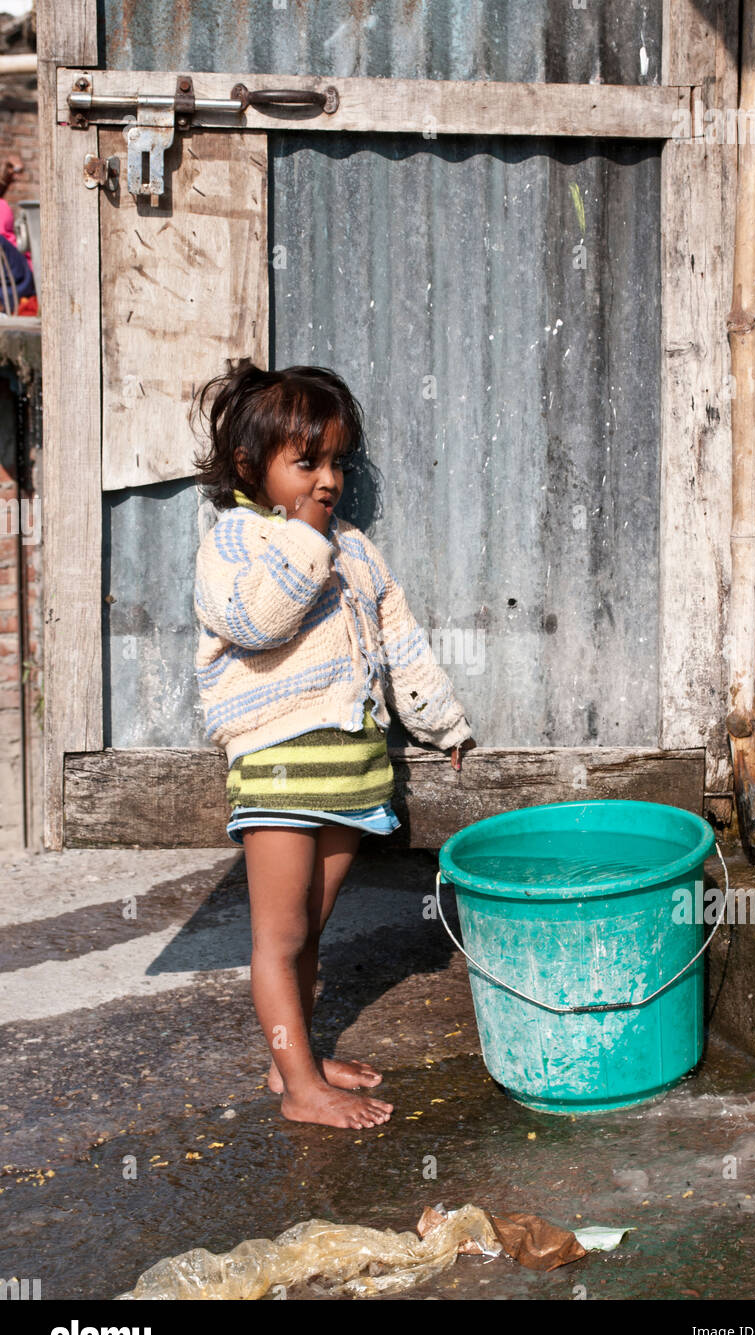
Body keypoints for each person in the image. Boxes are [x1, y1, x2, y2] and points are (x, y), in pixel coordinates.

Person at [192, 362, 476, 1130]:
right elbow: (257, 622)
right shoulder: (237, 542)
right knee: (278, 940)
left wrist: (441, 723)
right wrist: (306, 541)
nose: (327, 480)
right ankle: (297, 1089)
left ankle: (302, 1060)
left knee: (310, 932)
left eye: (337, 463)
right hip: (280, 767)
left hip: (349, 767)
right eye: (306, 462)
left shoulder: (356, 549)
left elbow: (401, 643)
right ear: (252, 468)